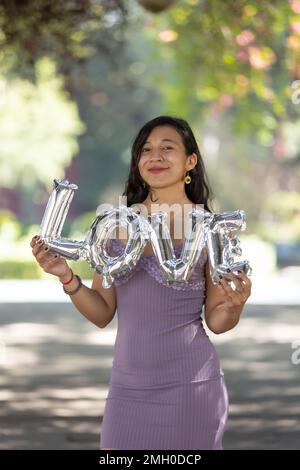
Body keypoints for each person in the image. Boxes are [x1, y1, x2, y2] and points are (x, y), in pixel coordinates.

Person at [30, 115, 252, 450]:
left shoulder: (209, 228)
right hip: (127, 390)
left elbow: (217, 322)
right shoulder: (115, 226)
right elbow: (103, 312)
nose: (155, 156)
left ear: (190, 160)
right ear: (137, 162)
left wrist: (235, 305)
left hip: (190, 388)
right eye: (146, 149)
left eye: (168, 147)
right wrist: (66, 276)